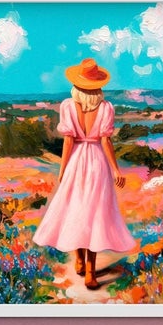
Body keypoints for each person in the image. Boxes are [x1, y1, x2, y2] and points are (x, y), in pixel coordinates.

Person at [33, 57, 137, 290]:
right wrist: (115, 169)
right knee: (94, 213)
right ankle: (90, 272)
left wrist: (63, 169)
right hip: (97, 162)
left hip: (77, 161)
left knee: (78, 210)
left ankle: (81, 260)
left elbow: (68, 142)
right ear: (97, 87)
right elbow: (106, 141)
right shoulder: (106, 108)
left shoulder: (68, 106)